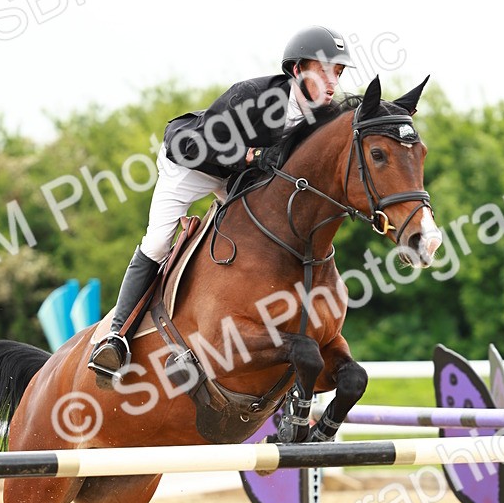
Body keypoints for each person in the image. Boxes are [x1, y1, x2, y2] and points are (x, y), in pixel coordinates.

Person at [88, 25, 356, 384]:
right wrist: (252, 155)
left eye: (337, 73)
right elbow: (203, 144)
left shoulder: (322, 115)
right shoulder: (252, 97)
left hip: (238, 176)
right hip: (190, 161)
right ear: (296, 70)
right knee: (156, 242)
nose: (331, 82)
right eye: (323, 71)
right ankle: (116, 335)